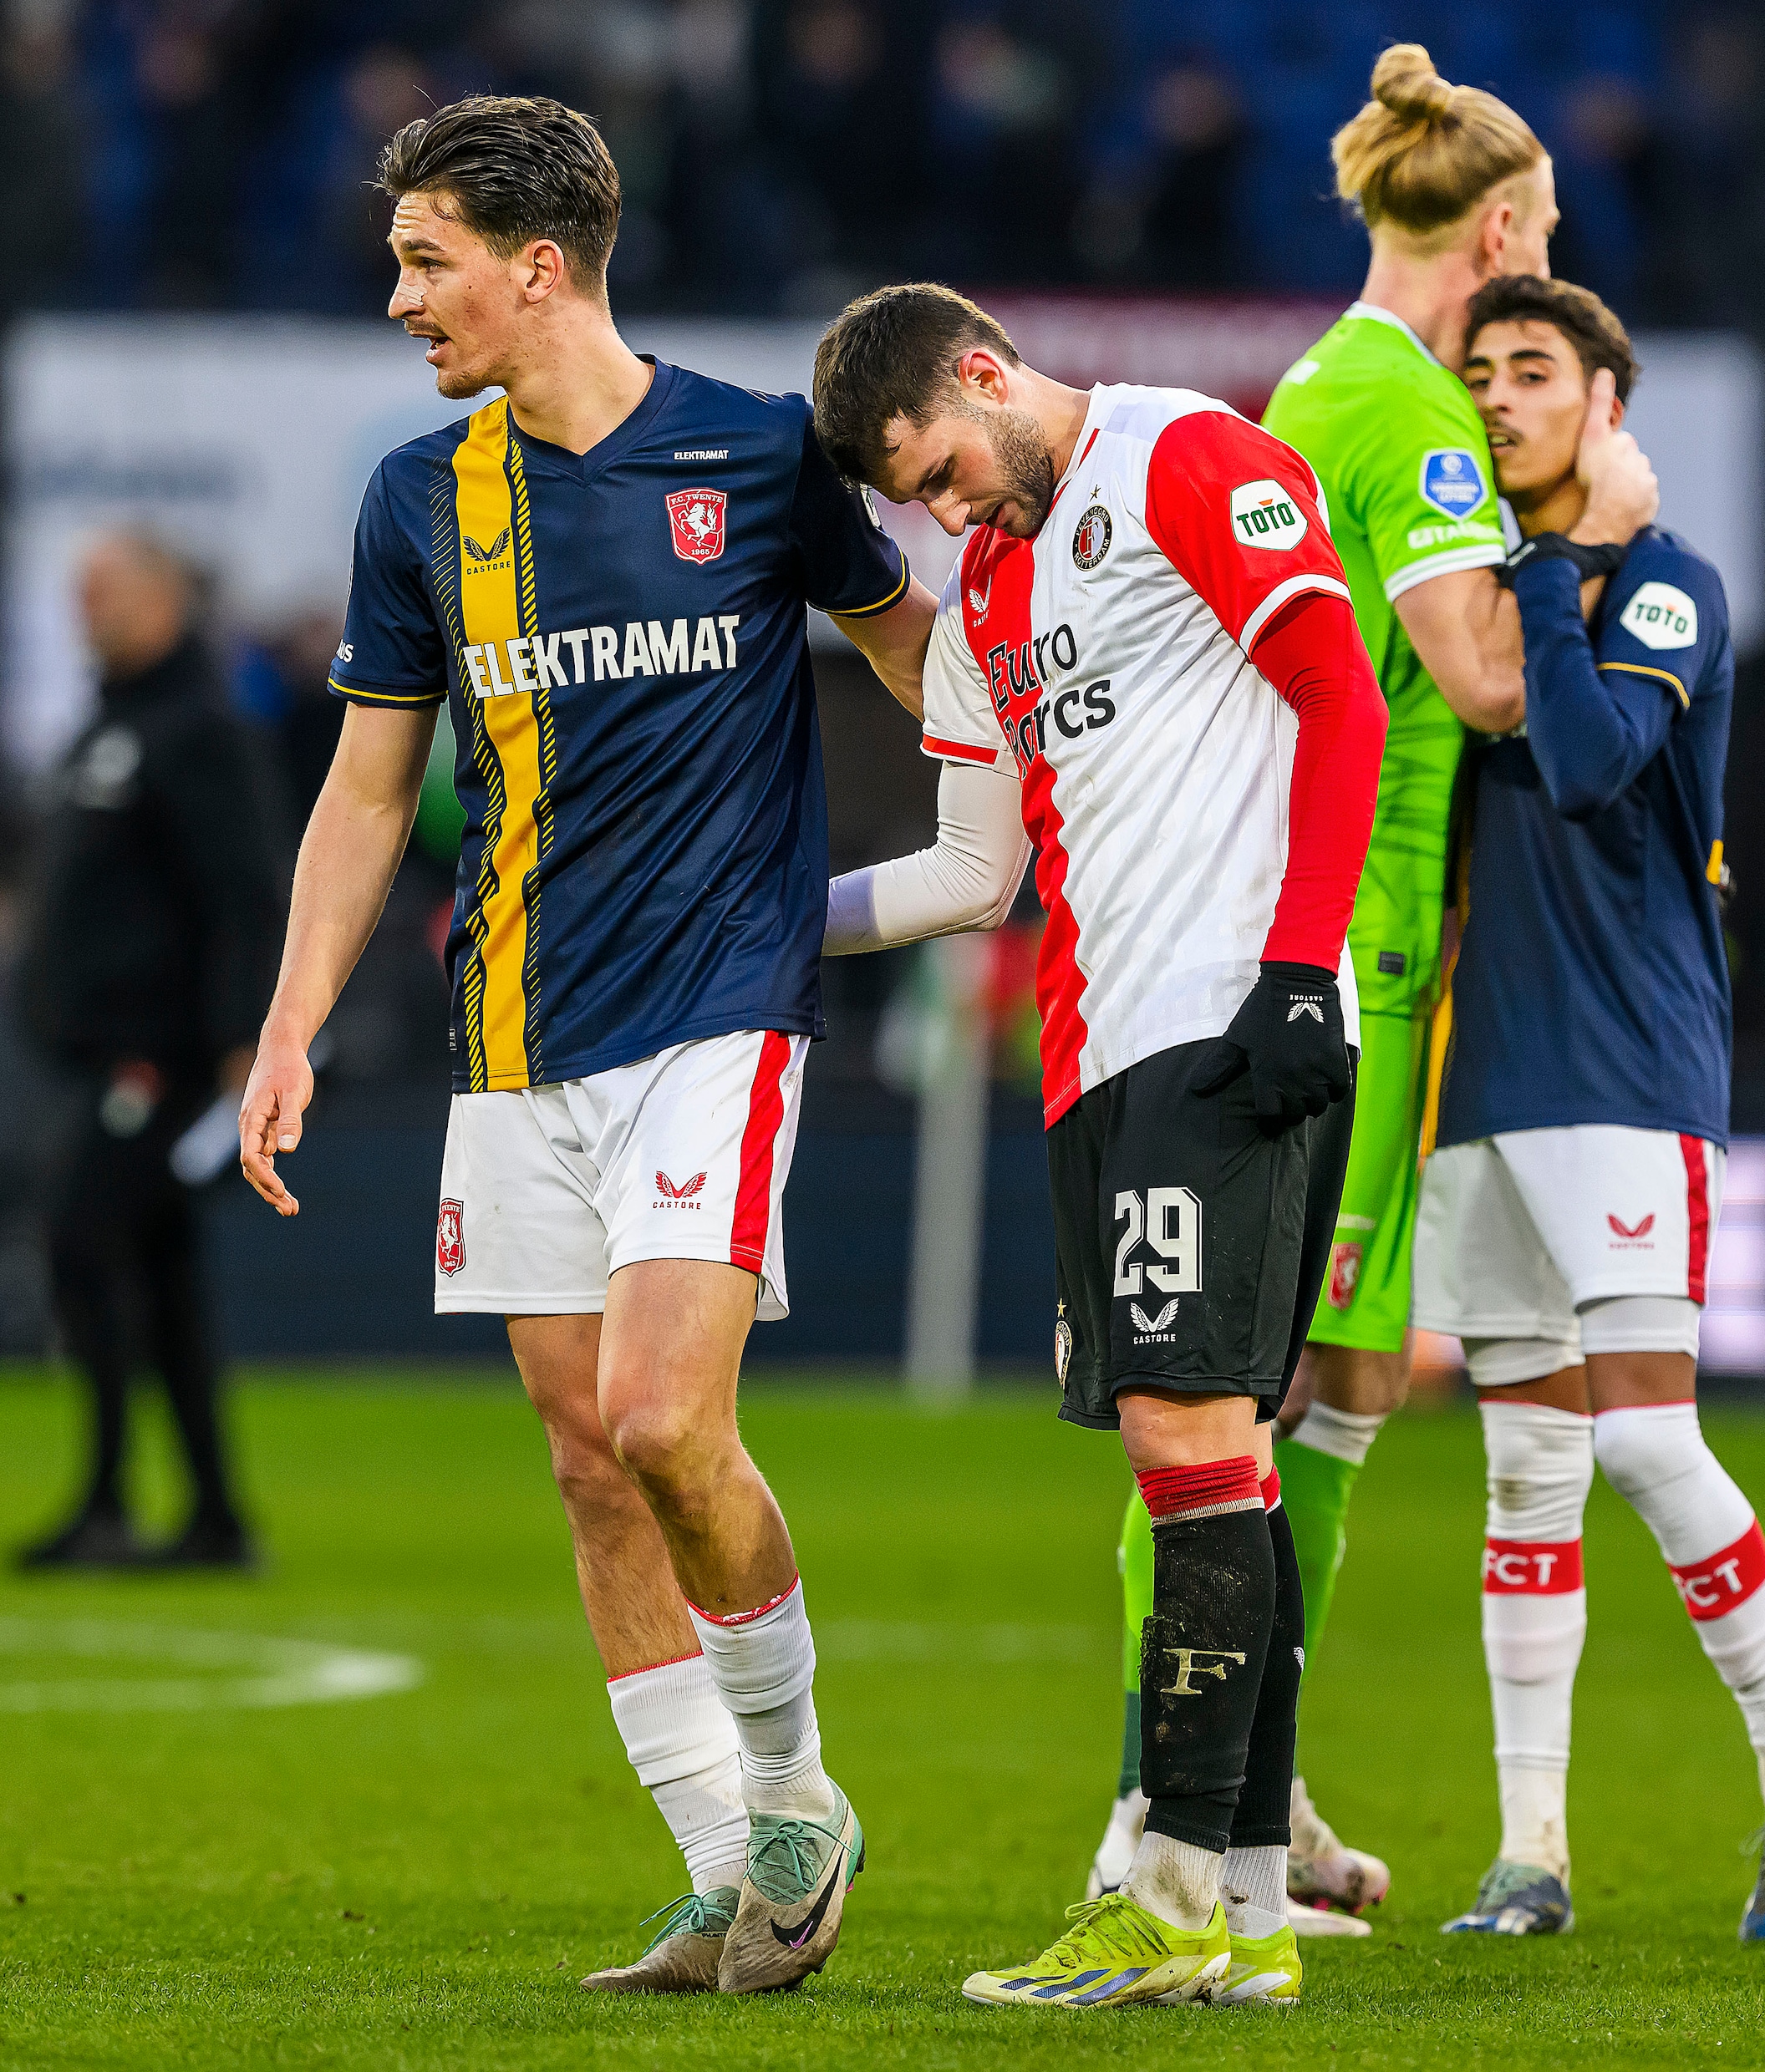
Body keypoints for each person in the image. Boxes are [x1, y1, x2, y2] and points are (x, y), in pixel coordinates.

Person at [235, 96, 933, 1996]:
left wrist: (1049, 813)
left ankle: (794, 1793)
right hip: (515, 1034)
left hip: (718, 1013)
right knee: (582, 1457)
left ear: (537, 267)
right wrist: (293, 1019)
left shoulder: (760, 454)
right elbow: (371, 789)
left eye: (426, 261)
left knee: (659, 1417)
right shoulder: (418, 500)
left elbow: (914, 653)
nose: (401, 298)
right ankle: (727, 1867)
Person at [1090, 40, 1661, 1927]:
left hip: (1322, 914)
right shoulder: (1410, 408)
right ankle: (1158, 1806)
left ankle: (1256, 1783)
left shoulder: (1328, 377)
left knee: (1327, 1377)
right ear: (1499, 228)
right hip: (1362, 932)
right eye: (1546, 231)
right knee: (1241, 1387)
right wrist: (1594, 514)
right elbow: (1483, 676)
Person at [813, 280, 1385, 2011]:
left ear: (987, 373)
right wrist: (756, 927)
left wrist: (1298, 960)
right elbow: (972, 873)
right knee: (1222, 1456)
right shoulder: (990, 583)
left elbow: (1339, 699)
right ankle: (1257, 1912)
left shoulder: (1192, 456)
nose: (948, 508)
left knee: (1187, 1438)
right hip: (1095, 1054)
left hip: (1225, 1015)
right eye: (915, 497)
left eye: (946, 465)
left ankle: (1163, 1890)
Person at [1420, 274, 1765, 1942]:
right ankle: (1529, 1852)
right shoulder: (1473, 602)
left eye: (1531, 371)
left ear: (1606, 401)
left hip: (1625, 1059)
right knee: (1525, 1474)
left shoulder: (1666, 587)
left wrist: (1550, 570)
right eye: (1479, 373)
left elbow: (1599, 760)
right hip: (1488, 1075)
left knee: (1643, 1437)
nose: (1496, 398)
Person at [17, 531, 282, 1572]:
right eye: (79, 592)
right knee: (160, 1272)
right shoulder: (107, 721)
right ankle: (214, 1516)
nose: (90, 608)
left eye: (108, 590)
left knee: (82, 1239)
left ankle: (108, 1499)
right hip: (96, 1050)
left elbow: (242, 894)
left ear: (166, 594)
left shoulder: (198, 727)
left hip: (156, 1057)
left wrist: (235, 1041)